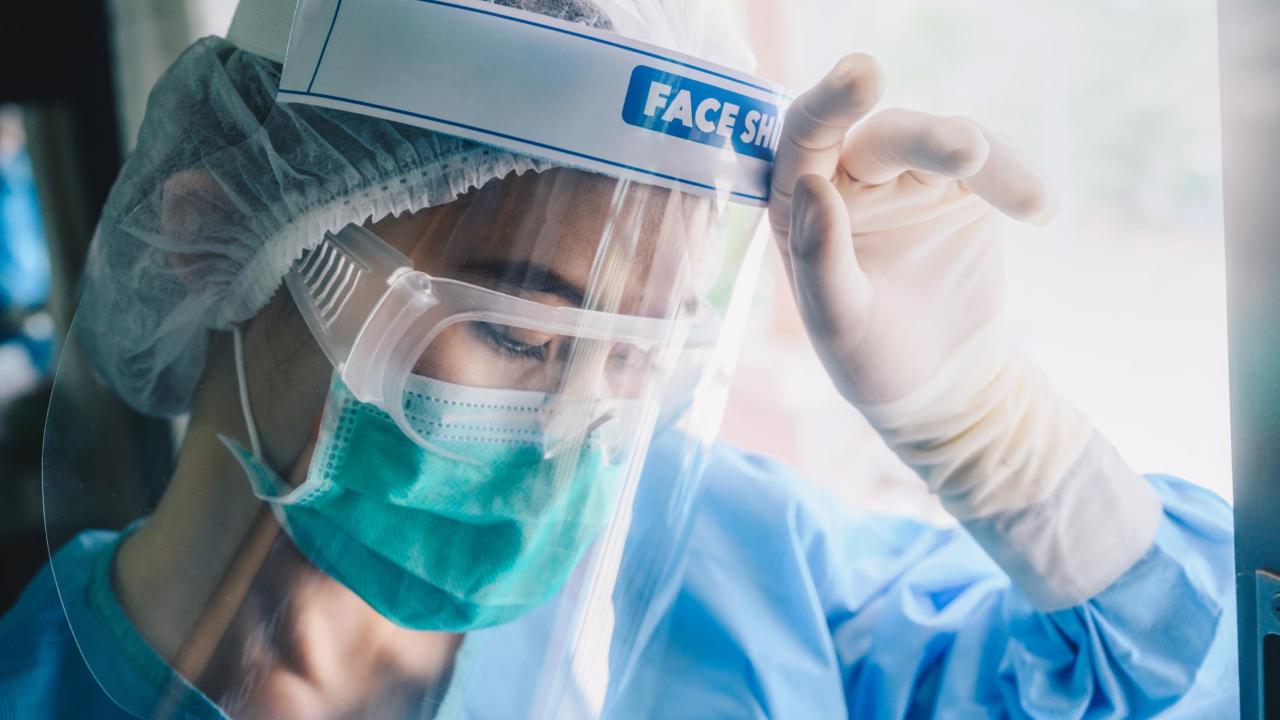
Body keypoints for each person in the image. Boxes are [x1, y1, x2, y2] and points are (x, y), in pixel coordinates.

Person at [0, 0, 1235, 717]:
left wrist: (990, 431)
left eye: (641, 359)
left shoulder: (738, 573)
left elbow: (1165, 665)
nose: (570, 441)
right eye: (516, 335)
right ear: (224, 236)